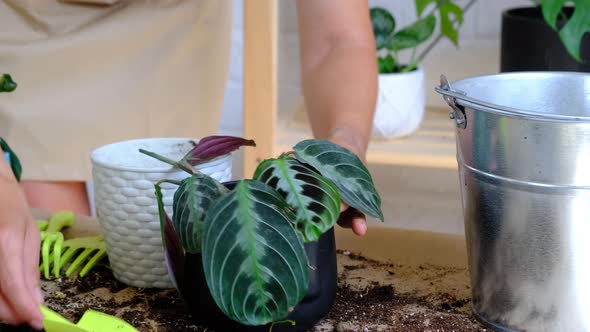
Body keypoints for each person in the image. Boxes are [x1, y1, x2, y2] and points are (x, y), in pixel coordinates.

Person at [0, 0, 378, 329]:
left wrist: (342, 147)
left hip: (172, 33)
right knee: (38, 274)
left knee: (162, 273)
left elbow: (337, 38)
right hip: (30, 28)